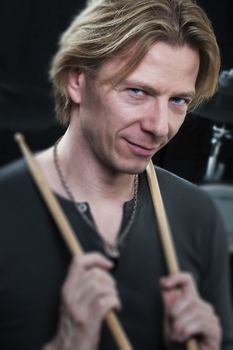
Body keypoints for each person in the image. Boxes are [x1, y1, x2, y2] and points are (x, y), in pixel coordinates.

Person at [0, 0, 232, 349]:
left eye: (178, 101)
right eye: (137, 91)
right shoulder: (6, 210)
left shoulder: (198, 214)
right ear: (76, 80)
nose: (159, 126)